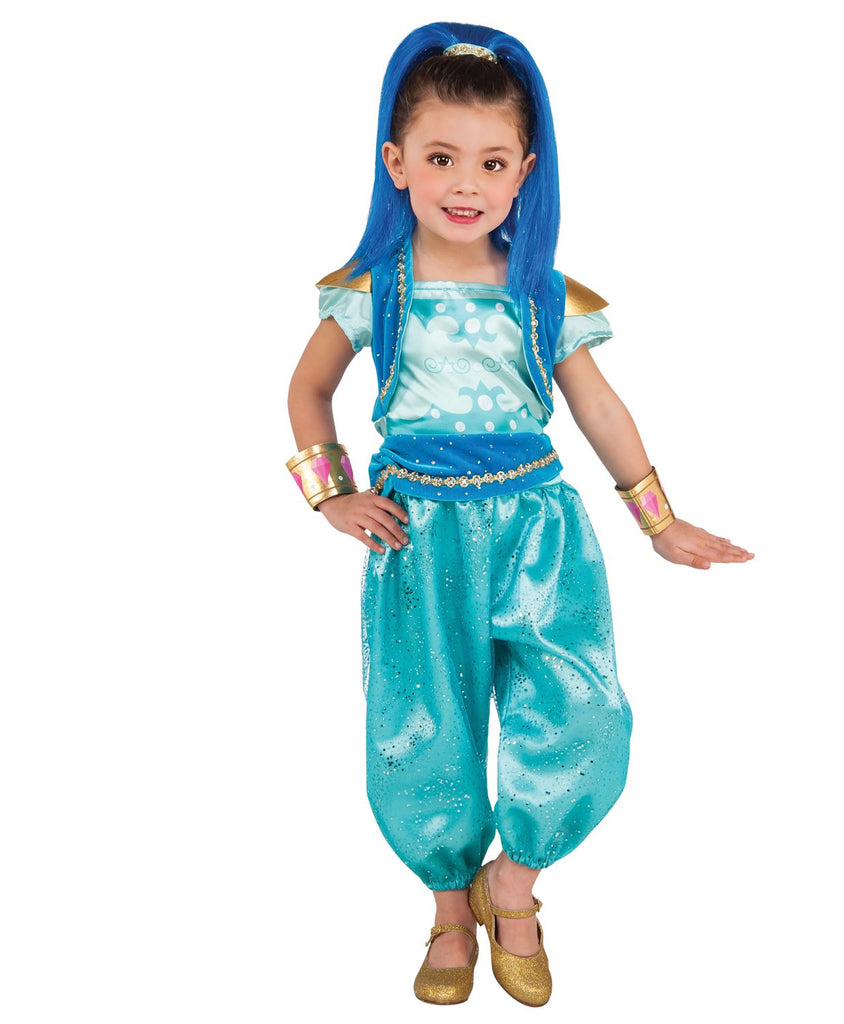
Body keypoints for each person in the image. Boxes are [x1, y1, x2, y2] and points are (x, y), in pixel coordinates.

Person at [285, 21, 754, 1008]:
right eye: (441, 158)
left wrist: (658, 519)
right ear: (396, 162)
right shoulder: (375, 289)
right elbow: (307, 390)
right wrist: (332, 495)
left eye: (491, 162)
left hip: (539, 530)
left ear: (524, 172)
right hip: (416, 533)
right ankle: (449, 905)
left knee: (583, 711)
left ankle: (514, 882)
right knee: (424, 719)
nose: (466, 183)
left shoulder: (542, 293)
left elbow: (597, 408)